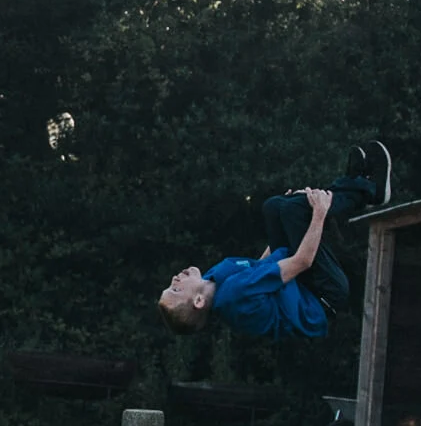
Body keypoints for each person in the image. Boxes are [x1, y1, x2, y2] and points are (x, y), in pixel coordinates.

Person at [157, 141, 392, 339]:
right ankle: (371, 189)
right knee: (296, 210)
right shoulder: (233, 295)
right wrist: (318, 214)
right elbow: (302, 261)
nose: (175, 278)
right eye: (176, 289)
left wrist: (285, 217)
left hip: (299, 282)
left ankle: (355, 183)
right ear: (198, 301)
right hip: (322, 294)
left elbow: (261, 266)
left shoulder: (215, 278)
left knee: (275, 207)